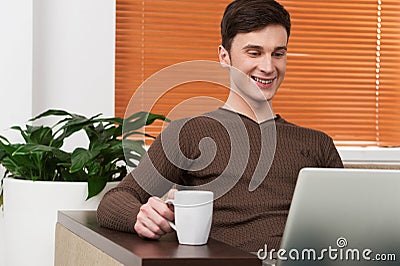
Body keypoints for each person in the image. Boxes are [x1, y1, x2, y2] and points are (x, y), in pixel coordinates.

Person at [97, 0, 343, 255]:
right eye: (254, 53)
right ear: (224, 57)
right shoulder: (189, 133)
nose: (269, 67)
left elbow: (350, 222)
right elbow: (114, 202)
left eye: (278, 53)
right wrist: (140, 216)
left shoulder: (317, 144)